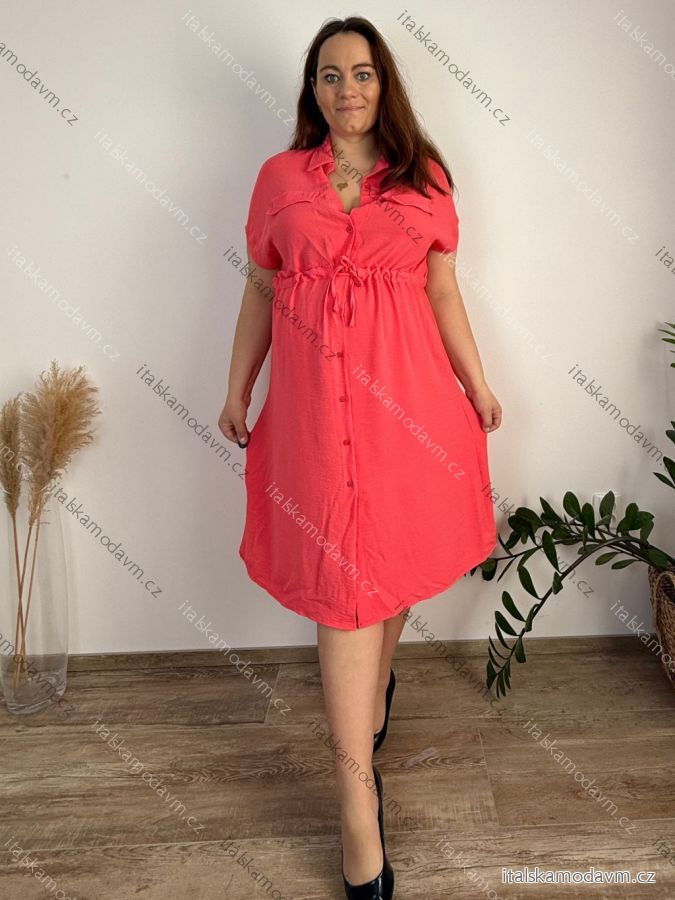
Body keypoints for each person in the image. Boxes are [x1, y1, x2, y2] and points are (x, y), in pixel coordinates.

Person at [219, 15, 501, 900]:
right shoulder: (279, 181)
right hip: (313, 423)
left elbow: (442, 290)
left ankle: (376, 692)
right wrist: (237, 389)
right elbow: (261, 288)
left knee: (392, 565)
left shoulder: (423, 176)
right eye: (330, 74)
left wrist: (476, 385)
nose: (347, 88)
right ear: (312, 89)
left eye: (363, 73)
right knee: (342, 587)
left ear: (386, 85)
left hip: (408, 413)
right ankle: (355, 808)